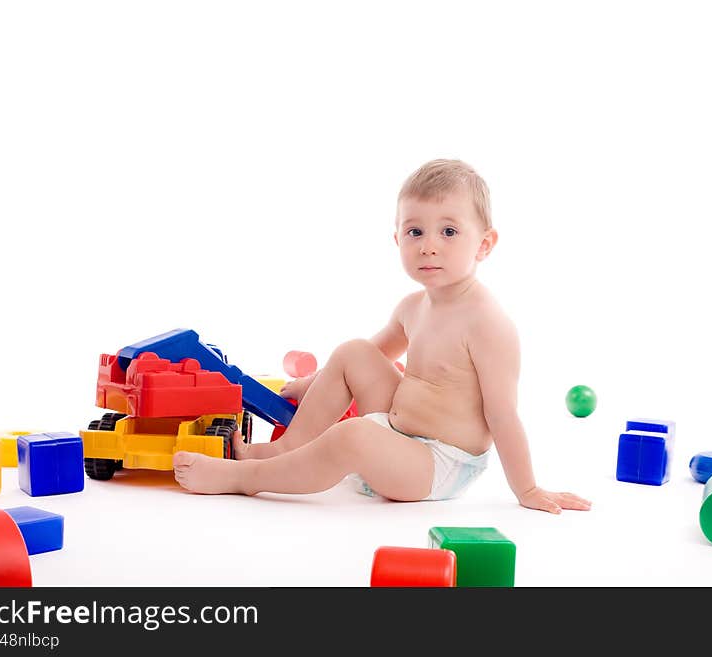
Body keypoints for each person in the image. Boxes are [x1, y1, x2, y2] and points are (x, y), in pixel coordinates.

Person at [173, 159, 592, 514]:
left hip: (439, 465)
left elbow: (503, 416)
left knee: (350, 435)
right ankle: (287, 451)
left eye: (449, 232)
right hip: (398, 432)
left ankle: (246, 479)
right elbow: (366, 361)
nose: (429, 246)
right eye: (415, 232)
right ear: (397, 239)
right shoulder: (414, 306)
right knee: (355, 351)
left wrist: (528, 489)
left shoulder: (488, 324)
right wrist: (310, 385)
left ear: (484, 245)